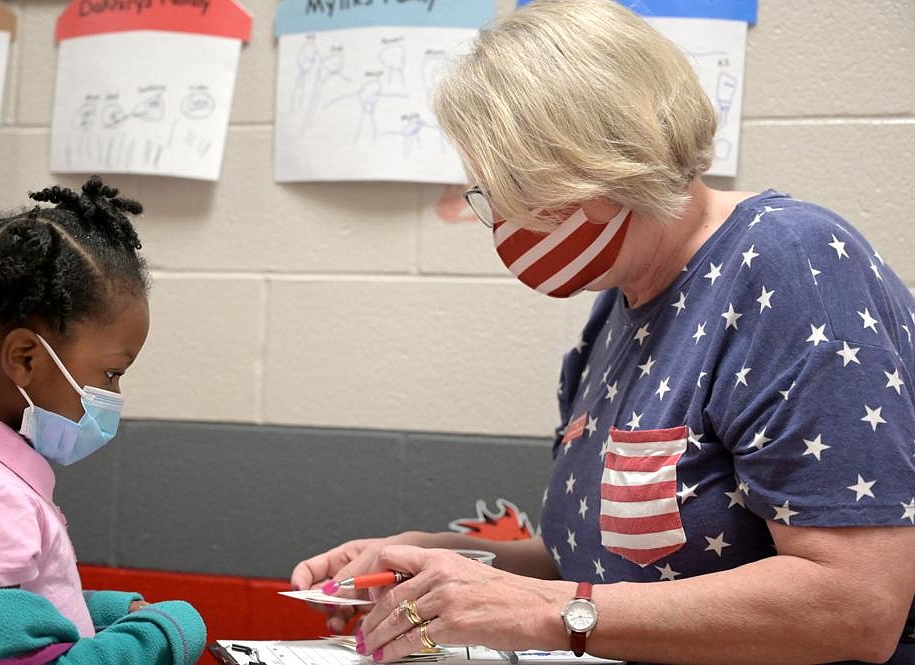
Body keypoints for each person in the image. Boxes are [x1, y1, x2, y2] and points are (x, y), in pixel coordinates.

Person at [290, 1, 915, 663]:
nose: (498, 217)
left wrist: (536, 608)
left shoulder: (792, 265)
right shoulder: (620, 306)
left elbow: (857, 604)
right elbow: (613, 570)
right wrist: (451, 565)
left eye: (509, 190)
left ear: (596, 170)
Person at [0, 176, 206, 664]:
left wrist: (105, 610)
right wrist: (164, 634)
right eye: (111, 373)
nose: (113, 394)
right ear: (26, 358)